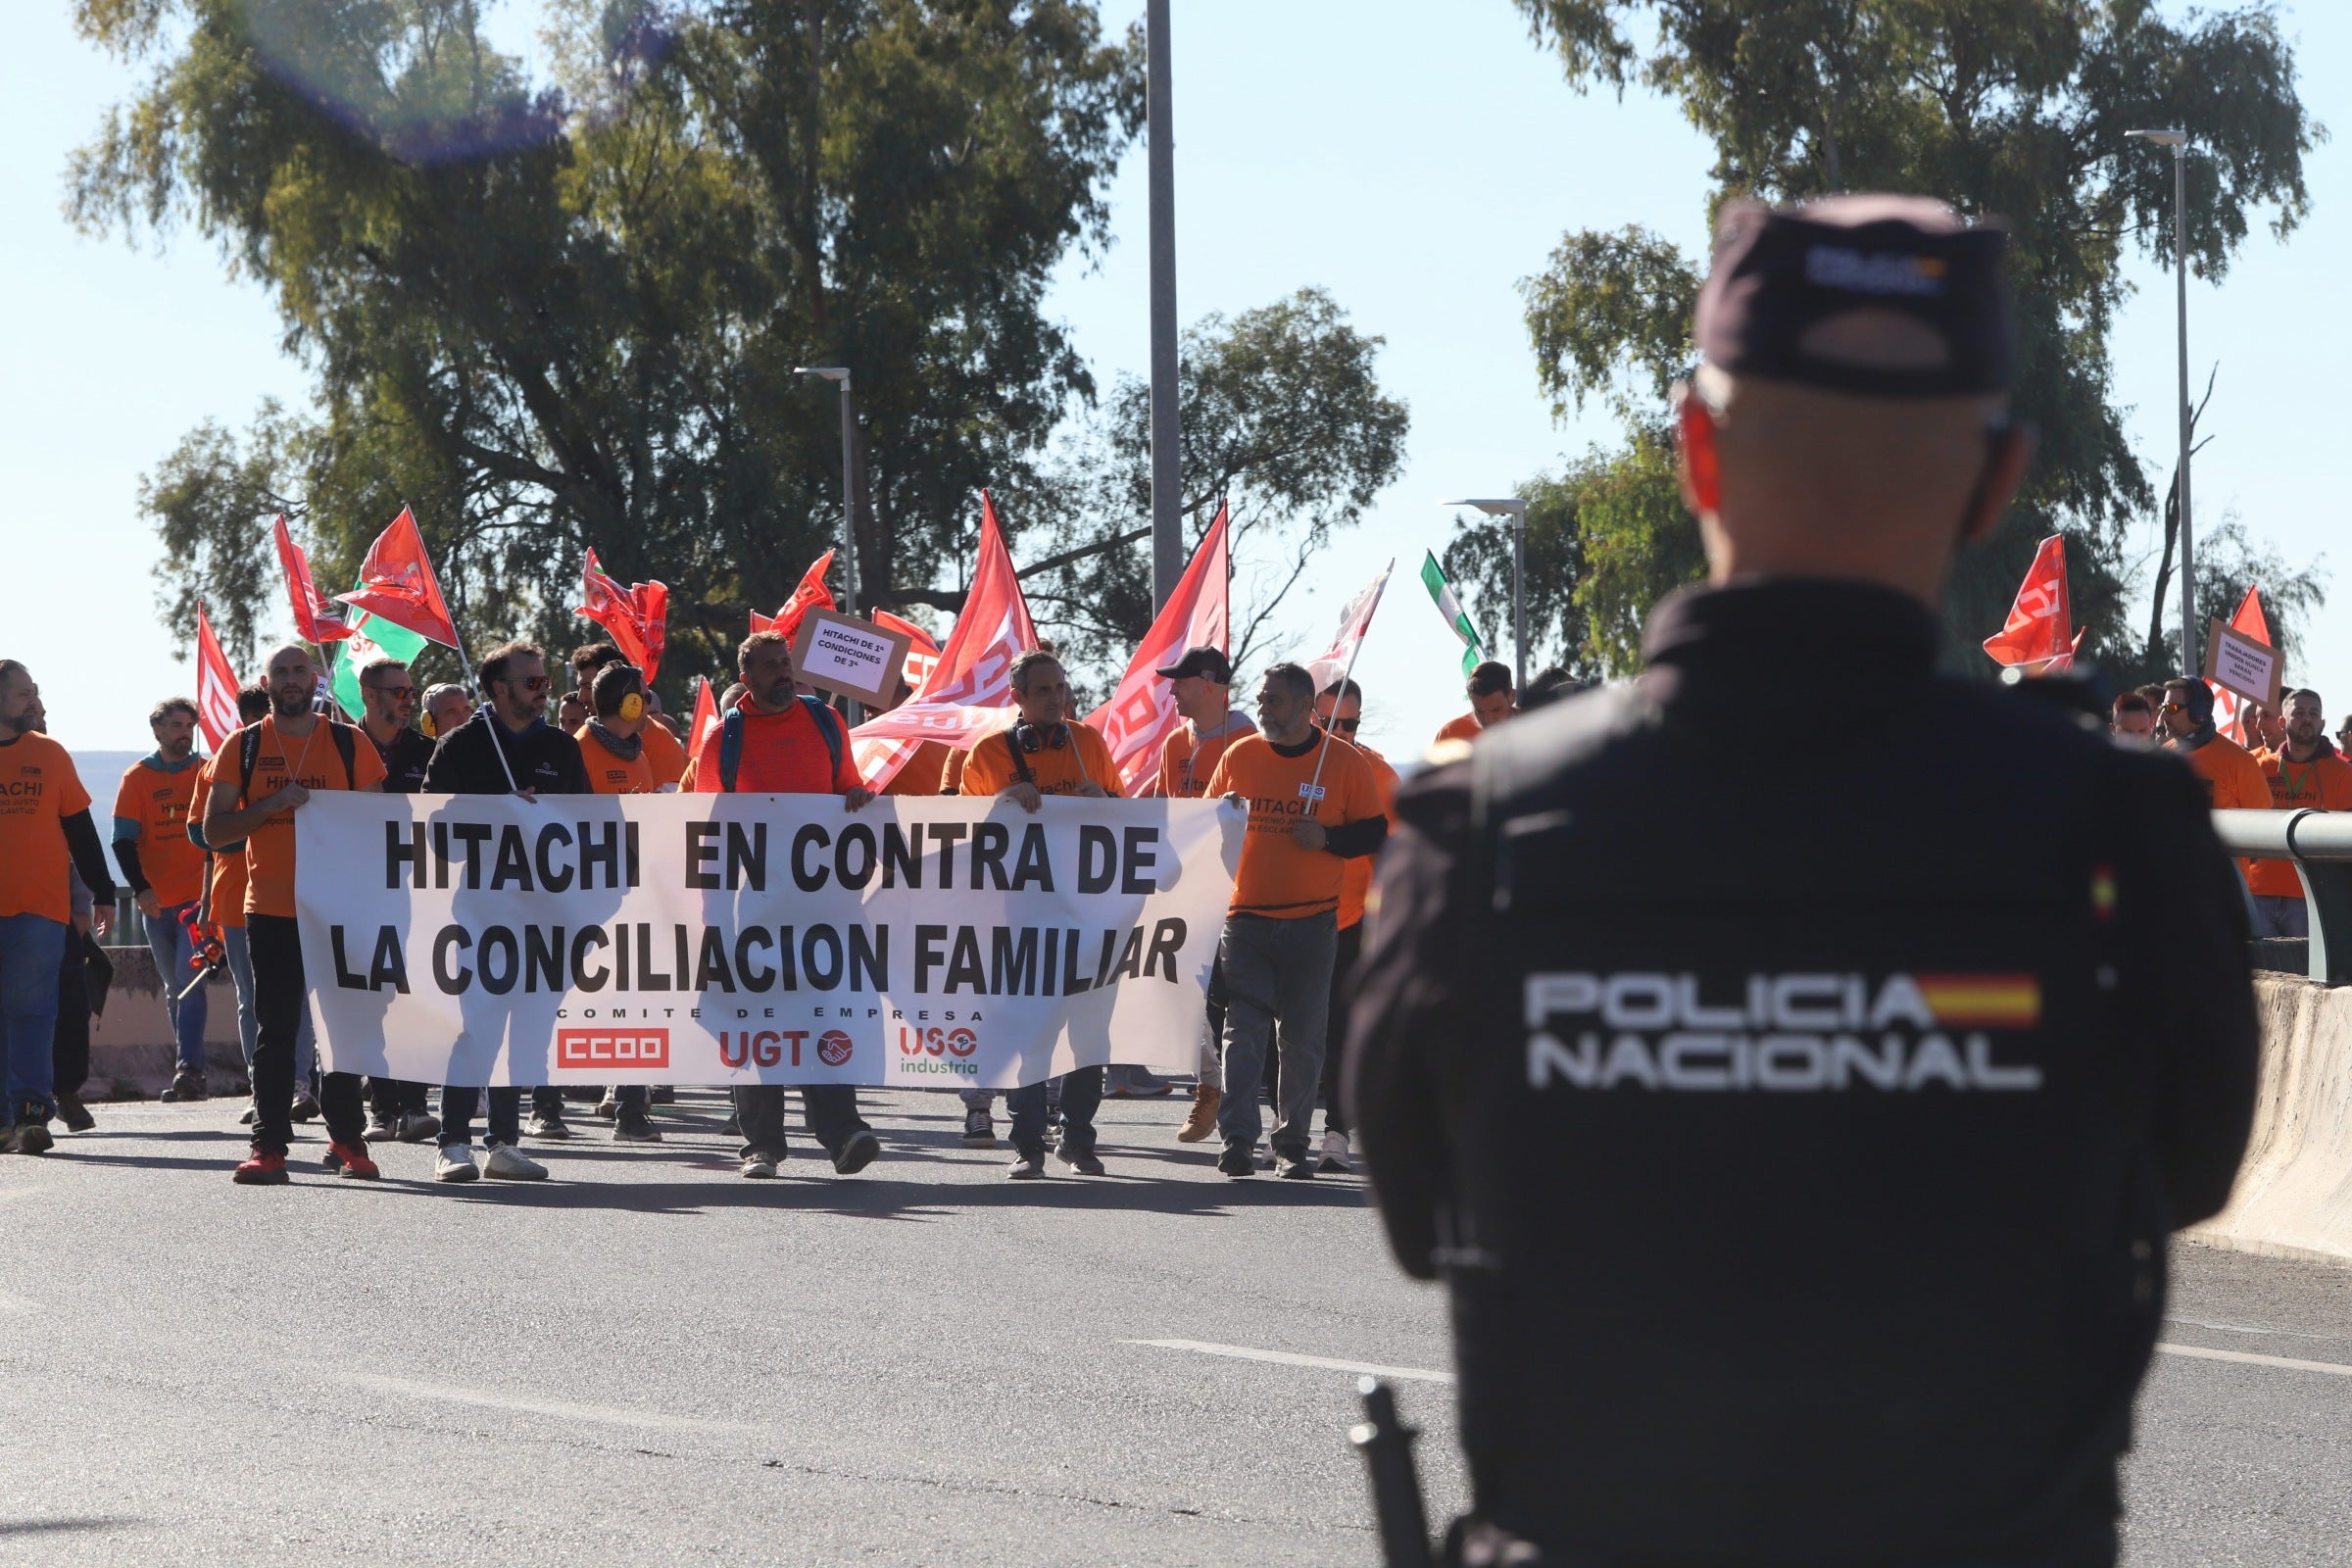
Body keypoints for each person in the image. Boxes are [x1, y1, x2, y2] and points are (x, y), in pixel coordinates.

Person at [1347, 195, 2259, 1565]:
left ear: (1694, 448)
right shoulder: (2122, 827)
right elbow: (2185, 1172)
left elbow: (1422, 1213)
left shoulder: (1476, 828)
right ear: (1998, 478)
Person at [691, 631, 884, 1180]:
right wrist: (712, 919)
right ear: (746, 677)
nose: (783, 673)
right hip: (747, 911)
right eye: (770, 667)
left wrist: (859, 798)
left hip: (821, 910)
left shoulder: (825, 722)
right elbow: (707, 831)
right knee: (755, 1024)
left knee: (824, 1019)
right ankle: (761, 1145)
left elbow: (850, 788)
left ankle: (843, 1133)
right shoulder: (722, 742)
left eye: (786, 664)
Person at [202, 644, 387, 1184]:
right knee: (276, 1029)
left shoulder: (351, 745)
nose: (289, 680)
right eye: (280, 672)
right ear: (267, 681)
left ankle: (347, 1139)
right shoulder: (244, 745)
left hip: (339, 908)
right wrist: (268, 807)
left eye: (298, 670)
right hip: (272, 909)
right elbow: (215, 832)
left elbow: (379, 827)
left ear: (315, 679)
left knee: (344, 1029)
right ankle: (269, 1146)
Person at [1205, 662, 1387, 1180]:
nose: (1263, 707)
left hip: (1313, 923)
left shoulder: (1345, 763)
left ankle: (1291, 1145)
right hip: (1244, 921)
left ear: (1307, 708)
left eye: (1275, 700)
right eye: (1262, 698)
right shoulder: (1239, 756)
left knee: (1304, 1039)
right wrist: (1220, 814)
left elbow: (1374, 833)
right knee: (1243, 1032)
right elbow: (1201, 829)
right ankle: (1237, 1140)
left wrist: (1328, 839)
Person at [421, 642, 589, 1182]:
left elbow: (594, 828)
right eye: (532, 682)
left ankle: (504, 1142)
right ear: (498, 688)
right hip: (482, 910)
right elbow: (433, 834)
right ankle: (452, 1141)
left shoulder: (562, 749)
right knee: (477, 1026)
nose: (543, 691)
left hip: (548, 914)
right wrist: (491, 809)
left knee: (528, 1031)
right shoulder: (459, 746)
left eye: (545, 681)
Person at [952, 650, 1122, 1177]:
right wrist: (1003, 798)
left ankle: (1079, 1138)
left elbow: (1131, 824)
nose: (1056, 698)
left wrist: (1105, 802)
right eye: (1043, 690)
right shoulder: (986, 753)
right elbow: (959, 836)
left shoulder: (1088, 744)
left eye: (1061, 687)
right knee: (1034, 1034)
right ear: (1018, 699)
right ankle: (1028, 1145)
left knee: (1089, 1035)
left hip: (1090, 917)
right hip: (1020, 916)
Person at [0, 662, 120, 1153]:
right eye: (24, 693)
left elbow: (80, 829)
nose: (34, 702)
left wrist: (104, 890)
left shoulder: (49, 755)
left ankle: (30, 1113)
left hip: (39, 909)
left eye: (35, 693)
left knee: (32, 1012)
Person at [1155, 647, 1257, 1143]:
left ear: (1212, 685)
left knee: (1240, 1005)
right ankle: (1209, 1089)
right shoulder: (1174, 742)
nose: (1172, 688)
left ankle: (1251, 1113)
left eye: (1182, 681)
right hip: (1185, 893)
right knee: (1185, 996)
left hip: (1241, 895)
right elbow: (1160, 810)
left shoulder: (1248, 740)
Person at [570, 661, 667, 1144]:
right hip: (586, 897)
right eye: (642, 696)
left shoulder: (639, 753)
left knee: (635, 1001)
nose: (647, 704)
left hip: (634, 894)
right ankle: (546, 1103)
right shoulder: (578, 752)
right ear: (629, 703)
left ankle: (631, 1107)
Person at [1307, 677, 1397, 1173]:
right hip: (1295, 914)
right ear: (1311, 715)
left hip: (1354, 922)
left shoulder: (1380, 773)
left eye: (1351, 723)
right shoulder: (1288, 765)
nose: (1342, 731)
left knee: (1342, 1031)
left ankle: (1336, 1132)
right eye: (1331, 722)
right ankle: (1288, 1128)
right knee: (1294, 1032)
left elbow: (1400, 855)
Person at [353, 657, 441, 1143]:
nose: (408, 700)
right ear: (368, 694)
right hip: (355, 898)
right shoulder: (339, 747)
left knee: (413, 998)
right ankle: (380, 1107)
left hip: (419, 896)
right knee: (371, 1001)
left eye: (411, 691)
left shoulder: (431, 753)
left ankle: (412, 1105)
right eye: (397, 691)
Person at [113, 698, 212, 1102]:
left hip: (198, 901)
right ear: (157, 730)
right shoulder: (137, 778)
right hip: (157, 903)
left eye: (189, 725)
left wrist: (211, 893)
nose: (183, 732)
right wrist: (141, 888)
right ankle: (191, 1069)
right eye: (175, 725)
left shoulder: (206, 771)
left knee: (190, 984)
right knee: (174, 989)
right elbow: (122, 841)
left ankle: (189, 1069)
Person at [2244, 688, 2352, 939]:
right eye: (2300, 712)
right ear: (2282, 721)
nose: (2307, 719)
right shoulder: (2260, 767)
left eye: (2314, 714)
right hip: (2258, 893)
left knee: (2307, 977)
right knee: (2261, 976)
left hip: (2312, 897)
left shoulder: (2343, 774)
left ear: (2322, 723)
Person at [2160, 678, 2271, 818]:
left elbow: (2263, 824)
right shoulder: (2162, 756)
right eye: (2163, 708)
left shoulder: (2241, 762)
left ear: (2198, 711)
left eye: (2172, 708)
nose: (2164, 716)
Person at [1432, 661, 1516, 749]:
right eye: (1479, 711)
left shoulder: (1530, 724)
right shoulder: (1451, 736)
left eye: (1496, 710)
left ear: (1512, 697)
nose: (1487, 720)